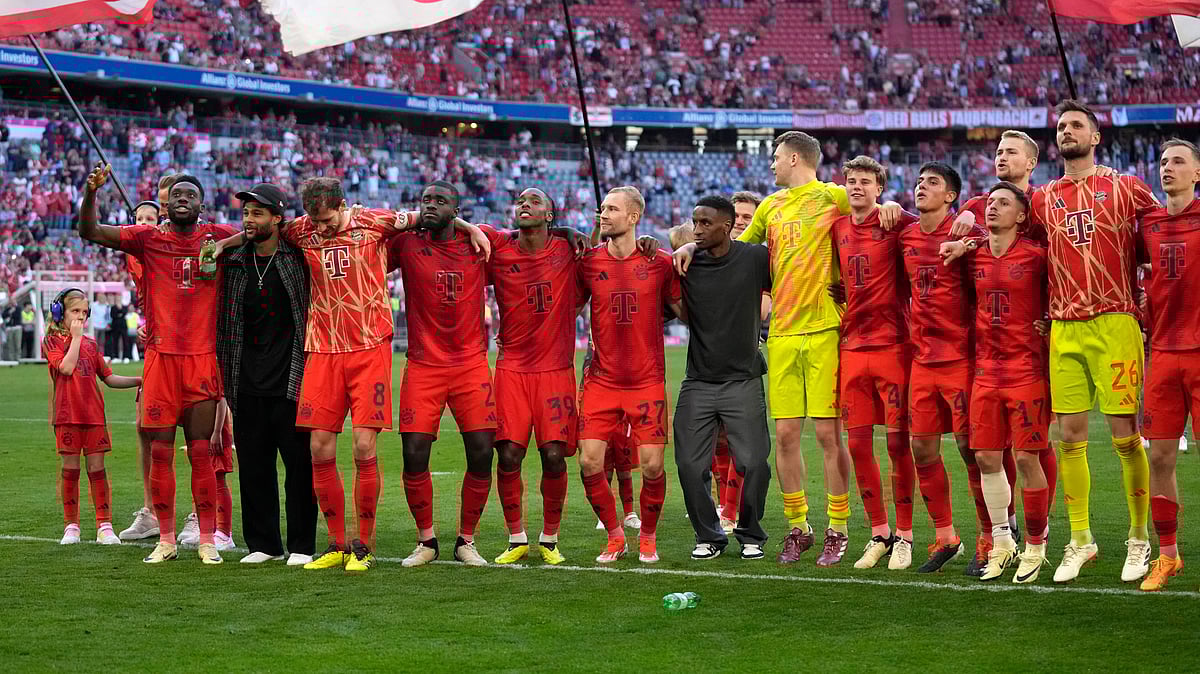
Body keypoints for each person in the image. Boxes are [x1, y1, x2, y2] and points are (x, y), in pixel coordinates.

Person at [213, 177, 485, 573]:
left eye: (325, 218)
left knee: (362, 447)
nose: (319, 227)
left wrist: (469, 226)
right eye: (313, 219)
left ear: (342, 204)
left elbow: (430, 217)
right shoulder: (300, 228)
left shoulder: (377, 221)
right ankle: (337, 544)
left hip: (369, 347)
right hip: (321, 348)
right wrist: (225, 243)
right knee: (319, 448)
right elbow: (260, 229)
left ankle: (364, 545)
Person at [942, 99, 1162, 584]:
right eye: (1061, 126)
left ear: (1096, 136)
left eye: (1076, 125)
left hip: (1116, 320)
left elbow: (1164, 234)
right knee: (1071, 441)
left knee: (1126, 438)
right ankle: (1081, 541)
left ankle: (1139, 540)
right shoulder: (1042, 199)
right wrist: (970, 236)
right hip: (1063, 327)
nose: (1067, 131)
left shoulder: (1127, 187)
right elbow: (1010, 237)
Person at [675, 131, 901, 564]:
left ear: (795, 158)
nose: (773, 165)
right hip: (780, 334)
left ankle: (838, 526)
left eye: (776, 158)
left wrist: (889, 206)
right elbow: (734, 248)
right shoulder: (769, 206)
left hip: (825, 331)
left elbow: (868, 207)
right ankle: (799, 525)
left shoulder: (832, 196)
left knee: (827, 435)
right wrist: (689, 242)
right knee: (784, 436)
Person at [78, 163, 235, 565]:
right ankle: (165, 539)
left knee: (200, 454)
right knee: (161, 453)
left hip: (202, 360)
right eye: (177, 194)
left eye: (191, 195)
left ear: (202, 205)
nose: (183, 198)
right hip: (161, 361)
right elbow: (91, 232)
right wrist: (92, 193)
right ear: (166, 205)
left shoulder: (218, 238)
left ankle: (205, 540)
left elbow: (266, 231)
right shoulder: (148, 238)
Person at [386, 181, 501, 568]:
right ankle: (426, 541)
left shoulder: (481, 243)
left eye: (441, 201)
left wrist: (470, 228)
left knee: (483, 451)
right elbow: (368, 233)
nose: (431, 205)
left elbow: (527, 237)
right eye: (426, 200)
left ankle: (466, 539)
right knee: (414, 452)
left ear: (457, 208)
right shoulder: (406, 243)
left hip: (470, 364)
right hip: (423, 363)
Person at [944, 182, 1052, 582]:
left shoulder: (1038, 256)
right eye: (990, 203)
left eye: (1004, 204)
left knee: (1026, 459)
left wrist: (1051, 323)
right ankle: (1002, 542)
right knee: (987, 458)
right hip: (986, 371)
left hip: (1026, 369)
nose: (993, 208)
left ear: (1022, 216)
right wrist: (967, 244)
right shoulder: (972, 257)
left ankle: (1037, 546)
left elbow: (1060, 293)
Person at [577, 186, 683, 564]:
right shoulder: (588, 263)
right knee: (589, 462)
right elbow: (569, 304)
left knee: (653, 466)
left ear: (634, 217)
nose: (603, 214)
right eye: (602, 208)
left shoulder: (660, 263)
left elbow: (683, 310)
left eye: (611, 209)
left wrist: (687, 251)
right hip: (601, 381)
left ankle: (649, 537)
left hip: (646, 381)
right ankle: (615, 535)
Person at [216, 183, 318, 566]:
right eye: (245, 214)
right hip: (245, 379)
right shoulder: (235, 260)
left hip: (293, 379)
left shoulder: (297, 258)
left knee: (299, 468)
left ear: (277, 218)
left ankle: (302, 546)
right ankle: (263, 544)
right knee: (255, 467)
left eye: (257, 214)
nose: (248, 220)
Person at [673, 195, 772, 561]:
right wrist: (680, 246)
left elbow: (796, 278)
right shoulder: (686, 262)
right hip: (697, 380)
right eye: (694, 222)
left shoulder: (755, 259)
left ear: (727, 226)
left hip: (742, 380)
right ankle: (709, 535)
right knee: (688, 465)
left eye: (705, 224)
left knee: (755, 463)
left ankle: (750, 532)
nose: (697, 229)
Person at [831, 156, 918, 570]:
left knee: (899, 443)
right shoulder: (837, 228)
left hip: (893, 346)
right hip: (851, 348)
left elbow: (930, 230)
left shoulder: (896, 221)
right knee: (857, 444)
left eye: (865, 181)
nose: (857, 187)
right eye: (851, 181)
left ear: (879, 188)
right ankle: (879, 532)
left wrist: (903, 210)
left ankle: (905, 534)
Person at [486, 188, 580, 566]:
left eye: (535, 201)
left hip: (556, 369)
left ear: (550, 216)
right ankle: (516, 538)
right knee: (508, 453)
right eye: (521, 200)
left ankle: (550, 539)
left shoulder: (568, 250)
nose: (524, 204)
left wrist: (573, 231)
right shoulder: (500, 249)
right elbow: (463, 230)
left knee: (554, 455)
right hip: (512, 368)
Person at [896, 161, 978, 573]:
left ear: (951, 196)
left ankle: (993, 535)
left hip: (961, 357)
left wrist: (971, 220)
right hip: (922, 360)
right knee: (922, 448)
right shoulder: (906, 235)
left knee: (973, 450)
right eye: (918, 181)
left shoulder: (967, 234)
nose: (921, 187)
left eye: (932, 183)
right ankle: (946, 536)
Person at [1135, 139, 1200, 591]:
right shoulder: (1148, 224)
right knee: (1159, 456)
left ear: (1197, 174)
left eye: (1178, 161)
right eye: (1162, 162)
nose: (1168, 168)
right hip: (1162, 354)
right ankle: (1168, 556)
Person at [43, 288, 141, 545]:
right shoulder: (52, 342)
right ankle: (71, 526)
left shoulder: (91, 344)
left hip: (94, 415)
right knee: (70, 470)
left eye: (85, 313)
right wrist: (75, 339)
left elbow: (108, 378)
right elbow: (66, 367)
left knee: (97, 469)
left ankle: (104, 525)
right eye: (75, 311)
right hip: (67, 416)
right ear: (59, 313)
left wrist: (140, 379)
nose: (81, 318)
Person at [119, 198, 169, 542]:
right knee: (144, 425)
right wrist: (146, 324)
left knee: (200, 430)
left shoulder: (181, 244)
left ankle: (203, 515)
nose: (145, 222)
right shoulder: (134, 255)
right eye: (139, 218)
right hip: (156, 345)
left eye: (152, 217)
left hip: (191, 344)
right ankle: (151, 511)